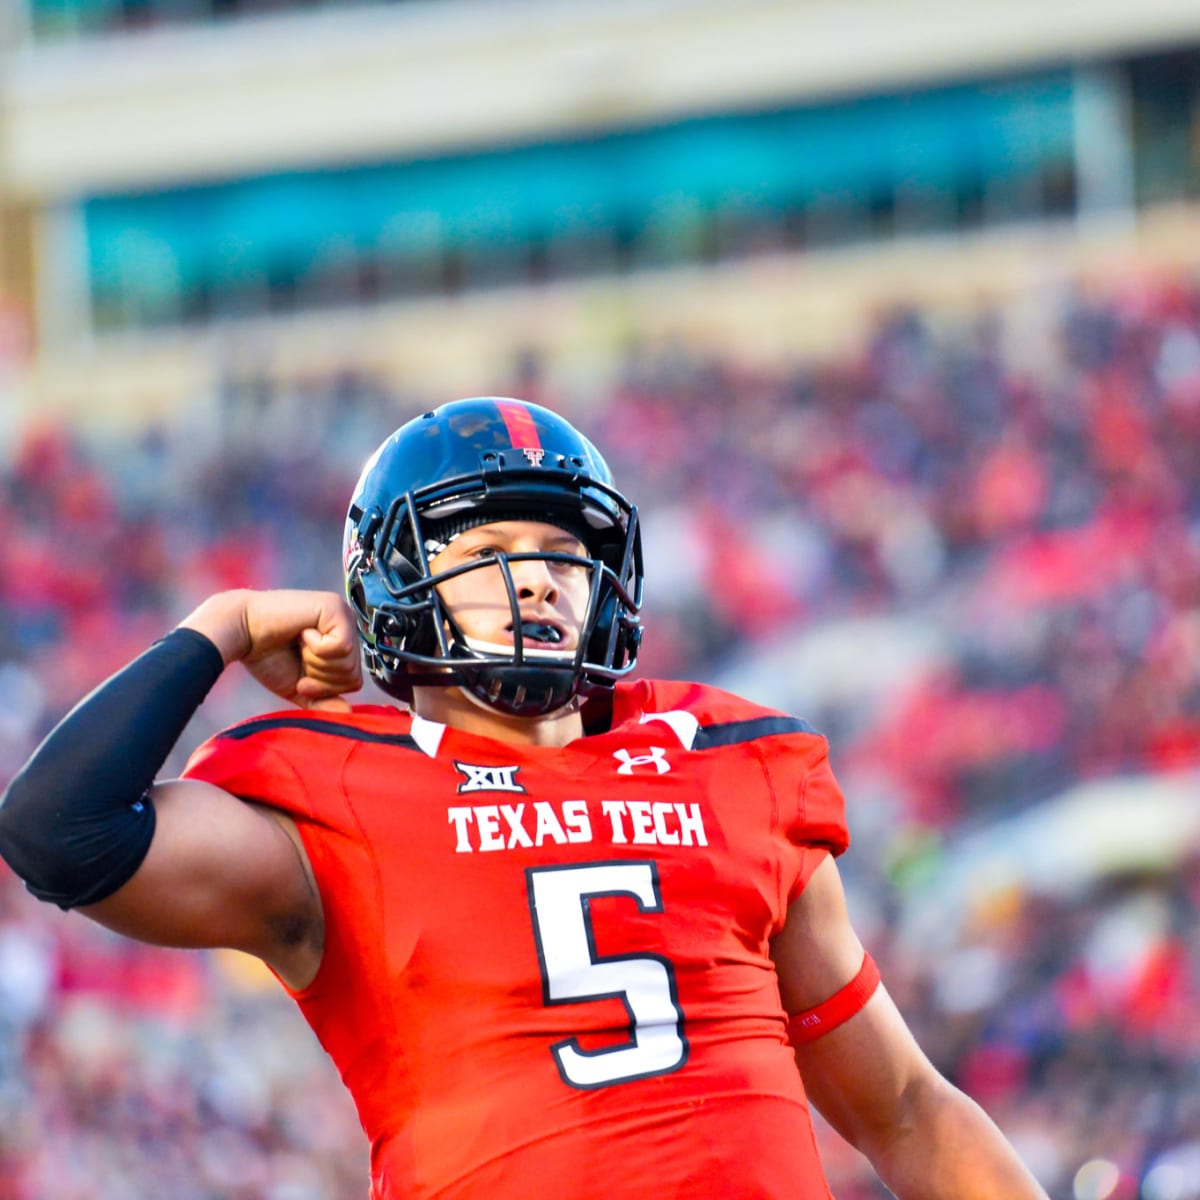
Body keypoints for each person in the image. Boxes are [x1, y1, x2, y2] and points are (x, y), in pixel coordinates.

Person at [0, 397, 1047, 1199]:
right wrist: (221, 624)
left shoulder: (728, 760)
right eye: (493, 553)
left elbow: (904, 1105)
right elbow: (60, 831)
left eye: (563, 553)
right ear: (397, 579)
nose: (541, 580)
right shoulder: (337, 790)